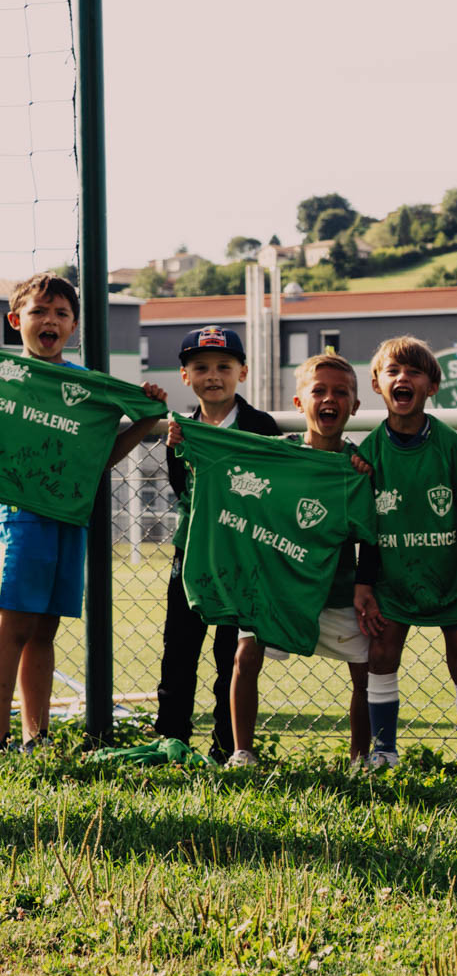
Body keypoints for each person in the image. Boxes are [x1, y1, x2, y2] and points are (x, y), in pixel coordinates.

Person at [0, 273, 166, 748]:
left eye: (61, 314)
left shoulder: (88, 388)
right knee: (13, 625)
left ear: (73, 327)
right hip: (23, 515)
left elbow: (98, 458)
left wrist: (146, 418)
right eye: (38, 312)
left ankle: (38, 737)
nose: (49, 320)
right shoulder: (8, 379)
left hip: (70, 517)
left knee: (45, 629)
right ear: (16, 321)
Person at [216, 353, 376, 767]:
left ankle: (361, 759)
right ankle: (243, 753)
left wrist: (364, 586)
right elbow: (223, 459)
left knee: (366, 670)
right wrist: (185, 440)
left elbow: (369, 534)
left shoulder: (356, 467)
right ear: (298, 402)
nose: (329, 399)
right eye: (318, 390)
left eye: (340, 392)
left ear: (354, 406)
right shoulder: (274, 456)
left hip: (335, 588)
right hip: (277, 587)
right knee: (245, 655)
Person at [355, 336, 457, 769]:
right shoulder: (368, 455)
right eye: (393, 371)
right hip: (393, 580)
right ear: (378, 384)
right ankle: (383, 752)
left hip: (452, 575)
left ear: (432, 386)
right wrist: (365, 583)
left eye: (415, 372)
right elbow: (365, 531)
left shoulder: (451, 446)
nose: (403, 378)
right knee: (381, 657)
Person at [154, 326, 282, 762]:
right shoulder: (181, 429)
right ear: (185, 376)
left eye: (223, 367)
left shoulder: (260, 426)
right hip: (191, 555)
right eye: (201, 367)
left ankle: (228, 746)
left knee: (233, 654)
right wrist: (182, 449)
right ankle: (171, 738)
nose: (213, 376)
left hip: (242, 558)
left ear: (241, 372)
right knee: (180, 650)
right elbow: (180, 490)